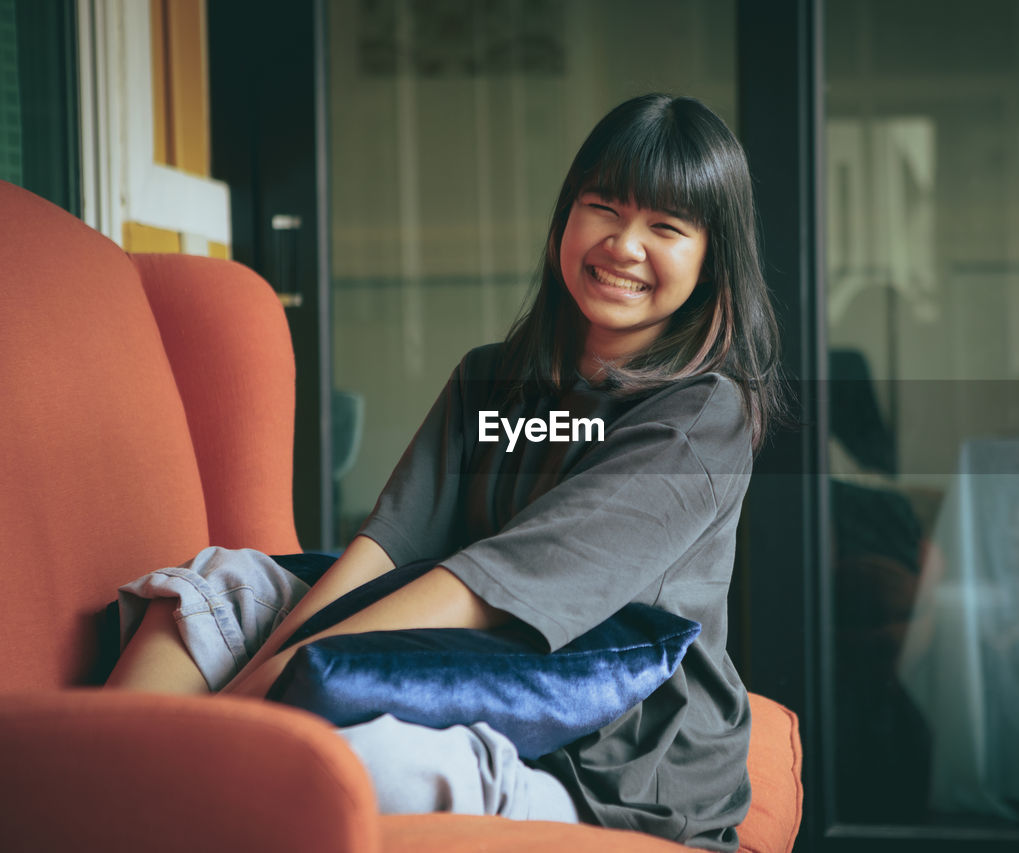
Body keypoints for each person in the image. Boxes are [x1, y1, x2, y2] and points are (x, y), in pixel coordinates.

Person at [106, 92, 785, 851]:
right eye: (604, 208)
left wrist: (292, 677)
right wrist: (266, 668)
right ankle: (113, 791)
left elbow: (490, 587)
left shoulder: (701, 418)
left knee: (355, 762)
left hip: (605, 767)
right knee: (218, 585)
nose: (625, 245)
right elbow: (389, 545)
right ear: (567, 216)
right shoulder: (491, 380)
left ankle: (171, 790)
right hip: (460, 669)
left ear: (710, 257)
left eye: (666, 227)